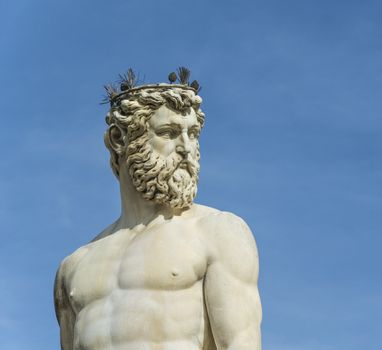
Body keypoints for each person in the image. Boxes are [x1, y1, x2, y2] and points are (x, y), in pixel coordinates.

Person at [54, 69, 262, 350]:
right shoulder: (74, 267)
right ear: (119, 139)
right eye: (169, 133)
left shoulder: (218, 232)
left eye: (192, 134)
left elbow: (241, 344)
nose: (187, 149)